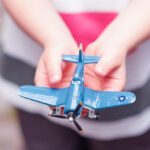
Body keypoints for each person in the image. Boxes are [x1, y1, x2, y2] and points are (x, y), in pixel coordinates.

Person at [1, 0, 150, 150]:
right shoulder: (90, 100)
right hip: (35, 62)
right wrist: (53, 39)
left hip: (130, 83)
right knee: (43, 141)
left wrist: (118, 42)